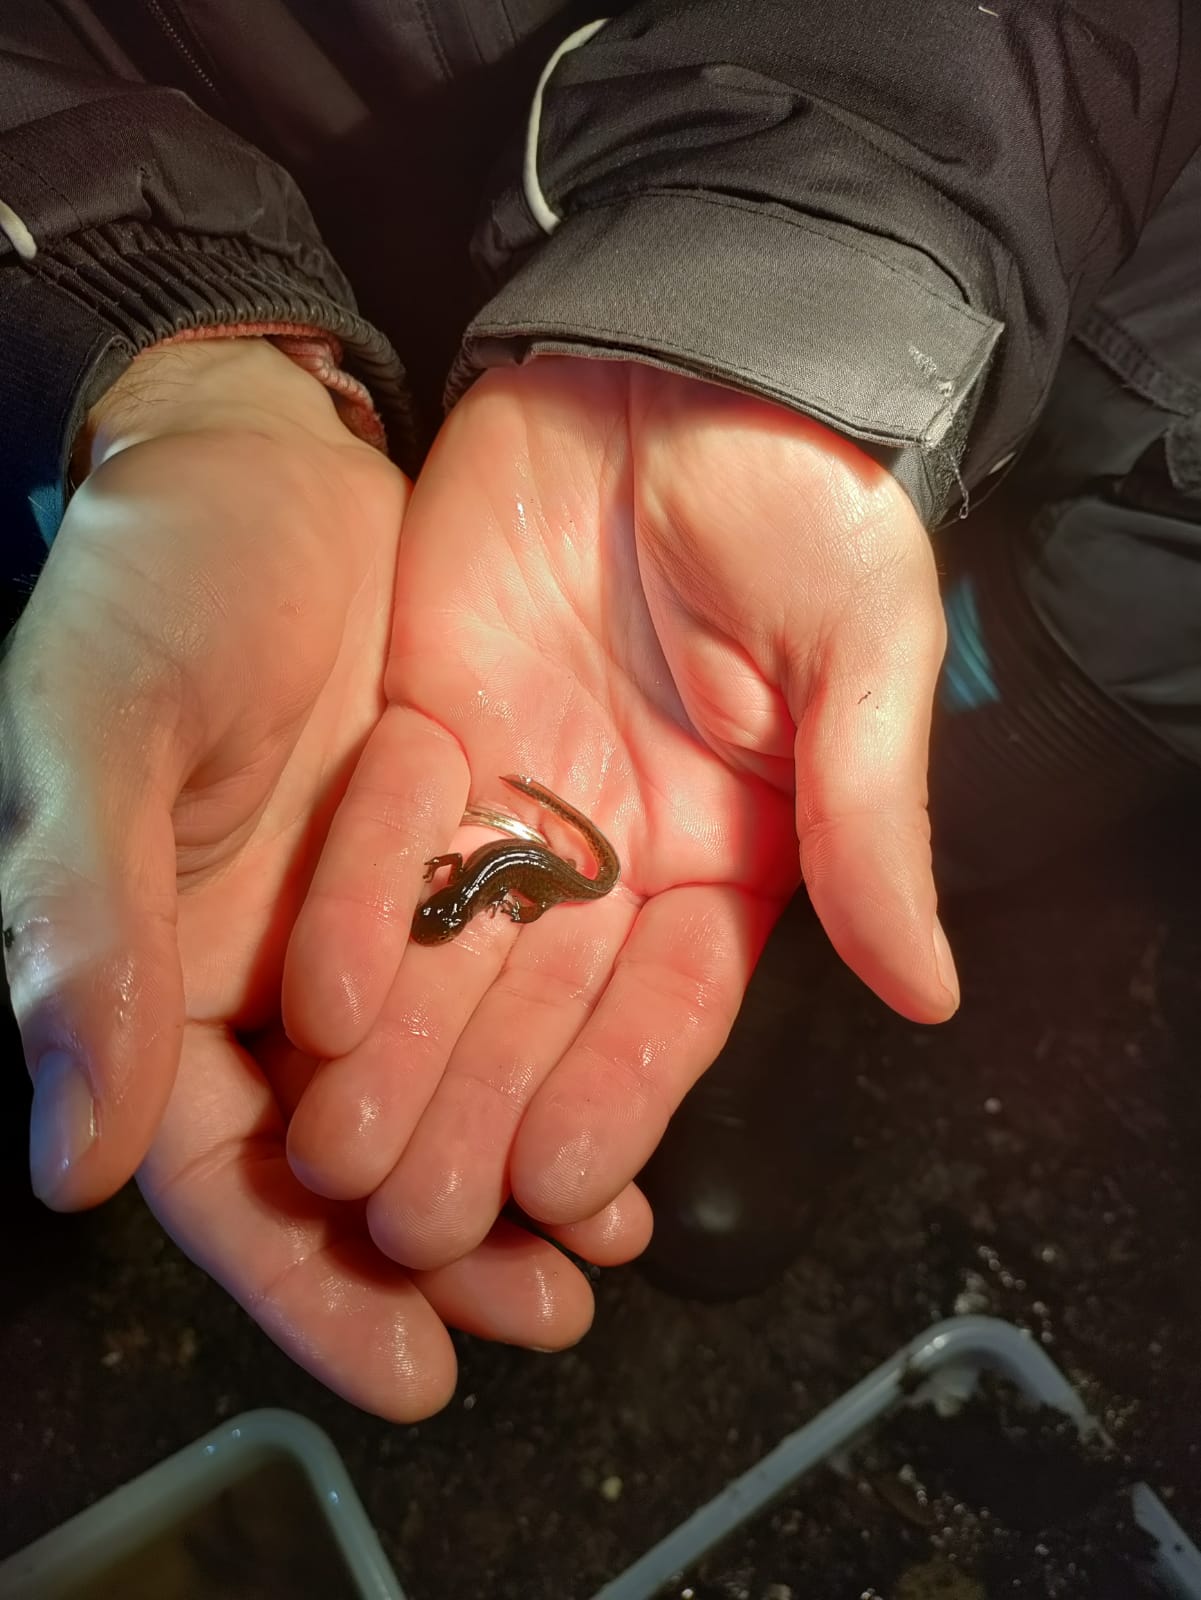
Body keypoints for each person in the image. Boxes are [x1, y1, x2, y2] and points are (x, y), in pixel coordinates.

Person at [0, 3, 1196, 1422]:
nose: (449, 898)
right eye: (454, 903)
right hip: (477, 277)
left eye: (447, 903)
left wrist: (812, 268)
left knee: (892, 762)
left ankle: (779, 937)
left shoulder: (500, 867)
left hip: (1107, 343)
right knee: (789, 755)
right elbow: (498, 872)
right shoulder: (498, 867)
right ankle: (765, 908)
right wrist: (166, 353)